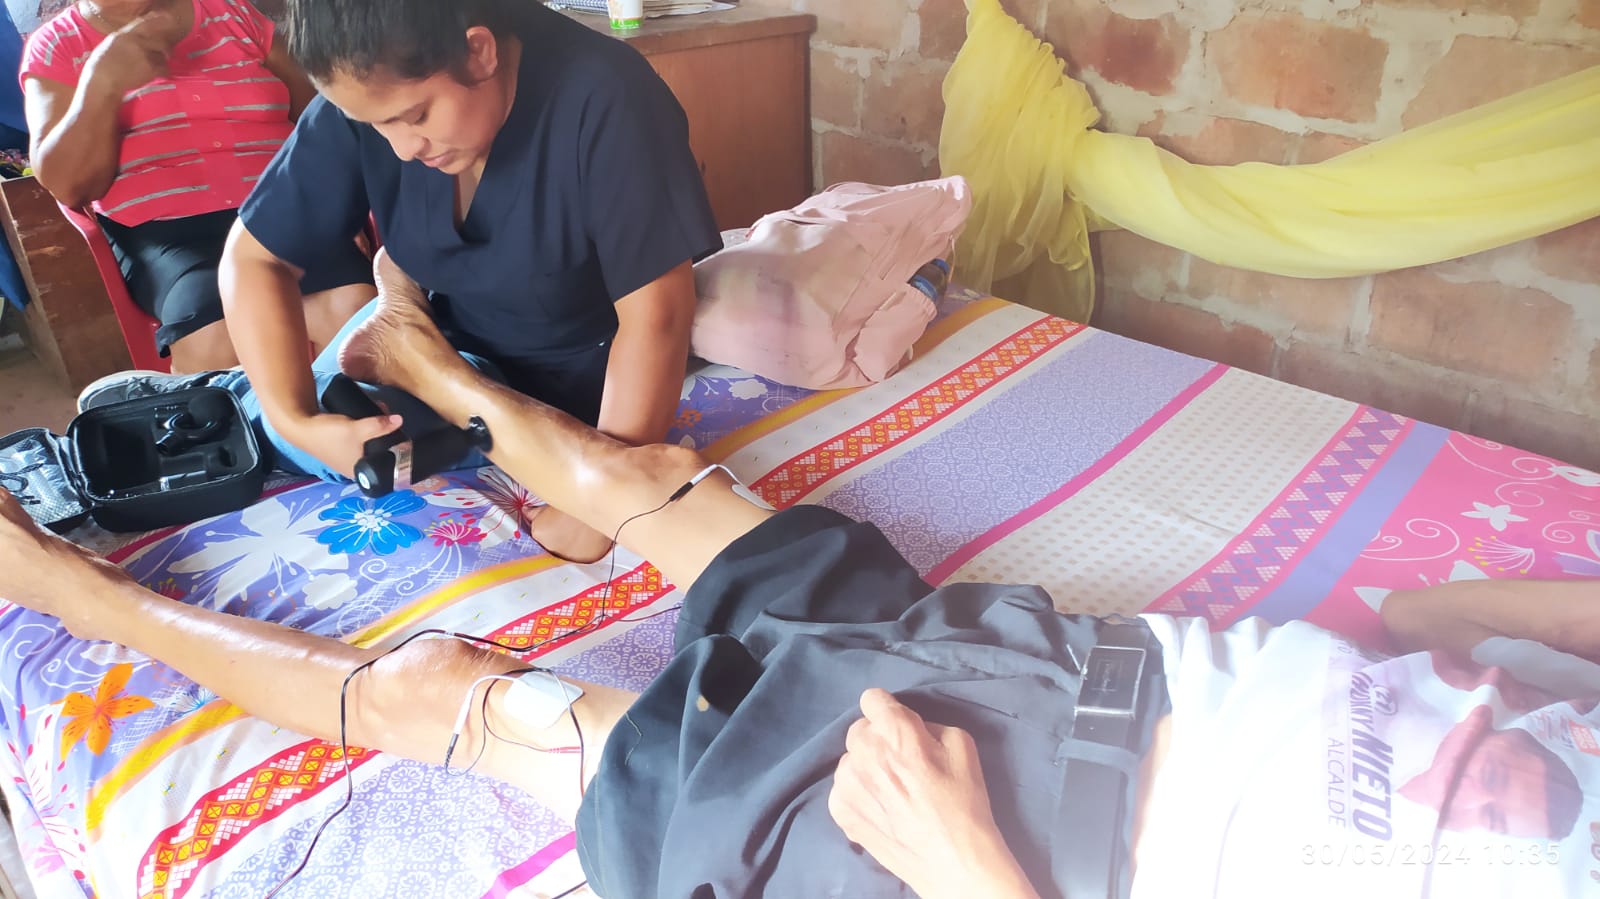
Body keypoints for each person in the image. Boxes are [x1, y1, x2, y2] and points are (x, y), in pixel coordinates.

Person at [2, 292, 1598, 897]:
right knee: (744, 533)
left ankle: (76, 590)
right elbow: (1430, 629)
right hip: (1110, 664)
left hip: (1037, 835)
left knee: (481, 703)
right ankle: (440, 368)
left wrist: (969, 866)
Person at [88, 0, 717, 563]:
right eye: (376, 126)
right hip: (449, 347)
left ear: (479, 51)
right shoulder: (370, 85)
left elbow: (656, 318)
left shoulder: (606, 96)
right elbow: (253, 259)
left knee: (376, 448)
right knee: (330, 435)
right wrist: (297, 417)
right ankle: (249, 392)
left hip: (558, 389)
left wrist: (601, 506)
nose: (401, 149)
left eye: (414, 116)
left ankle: (268, 380)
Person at [20, 0, 377, 371]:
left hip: (281, 207)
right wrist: (102, 84)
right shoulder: (57, 45)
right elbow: (68, 186)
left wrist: (336, 202)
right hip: (169, 236)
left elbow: (320, 113)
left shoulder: (231, 12)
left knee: (354, 310)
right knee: (212, 339)